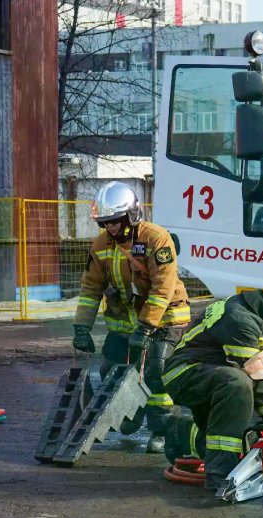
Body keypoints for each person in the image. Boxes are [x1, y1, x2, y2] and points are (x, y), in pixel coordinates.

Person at [161, 279, 263, 491]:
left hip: (205, 372)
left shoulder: (256, 312)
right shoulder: (243, 320)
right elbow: (260, 388)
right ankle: (220, 476)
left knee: (228, 424)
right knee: (239, 385)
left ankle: (181, 432)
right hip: (183, 372)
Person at [72, 181, 190, 453]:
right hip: (125, 325)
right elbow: (91, 288)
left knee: (156, 373)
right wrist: (81, 328)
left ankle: (162, 431)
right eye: (105, 222)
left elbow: (163, 288)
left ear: (131, 214)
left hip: (165, 321)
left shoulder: (156, 239)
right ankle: (130, 414)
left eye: (115, 221)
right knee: (109, 370)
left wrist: (146, 327)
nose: (111, 227)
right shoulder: (101, 244)